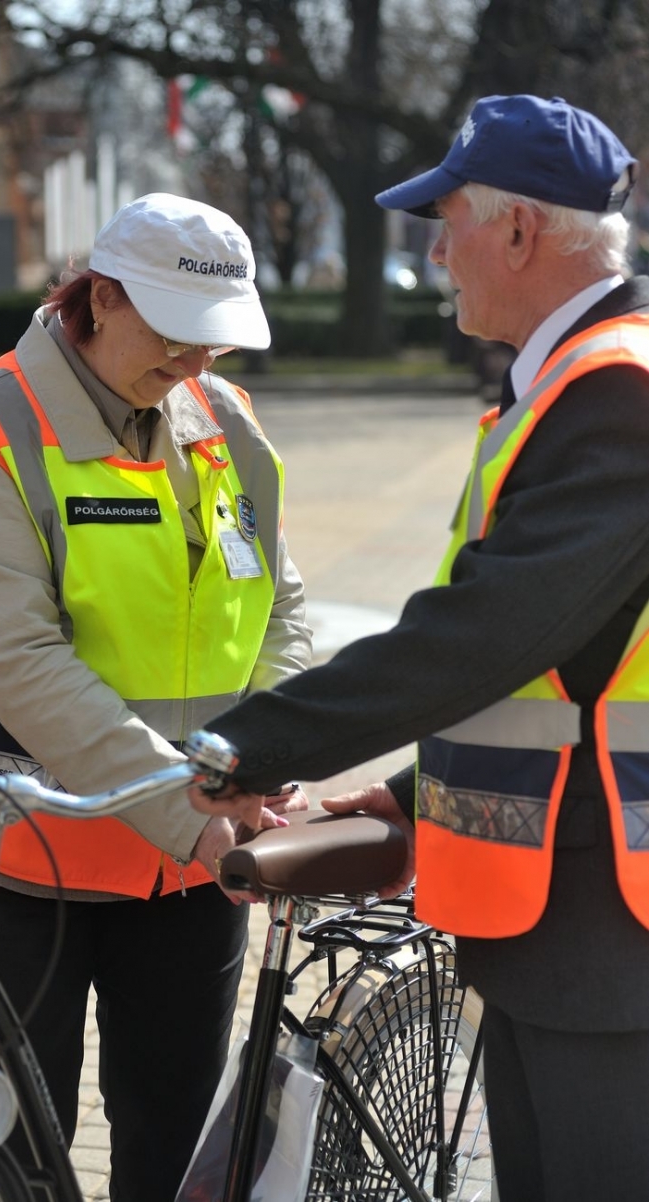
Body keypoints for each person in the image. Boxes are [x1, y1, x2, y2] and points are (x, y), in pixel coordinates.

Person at [189, 95, 649, 1201]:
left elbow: (484, 632)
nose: (434, 253)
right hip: (559, 918)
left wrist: (244, 741)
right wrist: (408, 794)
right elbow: (557, 676)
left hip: (603, 931)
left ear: (519, 232)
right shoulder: (563, 385)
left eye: (444, 222)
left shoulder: (612, 393)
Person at [0, 191, 311, 1201]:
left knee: (173, 1148)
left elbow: (279, 609)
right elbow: (23, 663)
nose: (196, 365)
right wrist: (195, 814)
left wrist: (266, 756)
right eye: (175, 334)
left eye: (215, 342)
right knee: (4, 1155)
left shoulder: (220, 416)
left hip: (190, 868)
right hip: (14, 851)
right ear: (100, 298)